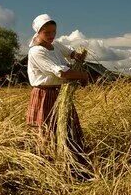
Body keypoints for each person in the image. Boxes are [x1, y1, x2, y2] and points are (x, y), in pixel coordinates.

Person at [26, 14, 90, 151]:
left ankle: (70, 154)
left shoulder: (54, 45)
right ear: (38, 32)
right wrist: (82, 76)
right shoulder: (36, 51)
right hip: (44, 94)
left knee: (68, 127)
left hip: (60, 93)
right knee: (46, 131)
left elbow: (71, 53)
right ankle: (47, 158)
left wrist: (78, 56)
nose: (51, 35)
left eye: (54, 32)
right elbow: (61, 72)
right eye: (47, 33)